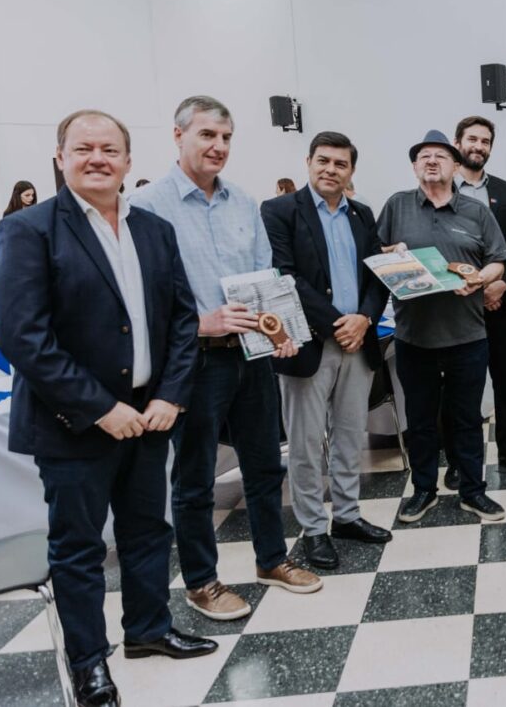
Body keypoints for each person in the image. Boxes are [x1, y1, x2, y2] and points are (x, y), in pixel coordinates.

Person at [0, 110, 215, 707]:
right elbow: (20, 334)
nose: (98, 158)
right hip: (73, 424)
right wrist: (98, 408)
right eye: (84, 148)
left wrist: (170, 394)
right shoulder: (31, 229)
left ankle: (148, 629)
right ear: (61, 156)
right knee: (79, 548)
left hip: (150, 415)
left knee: (146, 531)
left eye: (110, 149)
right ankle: (90, 663)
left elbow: (183, 320)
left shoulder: (154, 229)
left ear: (128, 161)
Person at [130, 95, 322, 620]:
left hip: (253, 356)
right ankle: (202, 581)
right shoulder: (147, 208)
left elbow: (267, 276)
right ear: (178, 136)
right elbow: (141, 299)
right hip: (193, 361)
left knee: (264, 464)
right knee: (194, 479)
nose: (218, 147)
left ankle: (271, 559)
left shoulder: (243, 202)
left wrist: (281, 330)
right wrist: (199, 322)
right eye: (207, 135)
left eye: (226, 138)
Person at [261, 131, 391, 571]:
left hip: (359, 342)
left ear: (351, 171)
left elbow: (376, 274)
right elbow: (287, 275)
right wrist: (340, 322)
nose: (330, 169)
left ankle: (347, 516)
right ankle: (314, 529)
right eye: (323, 161)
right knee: (304, 442)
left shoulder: (361, 214)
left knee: (351, 434)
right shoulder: (280, 211)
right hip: (310, 345)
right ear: (308, 162)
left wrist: (365, 318)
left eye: (340, 164)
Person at [378, 130, 506, 523]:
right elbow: (375, 256)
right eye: (423, 157)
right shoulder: (397, 207)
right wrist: (389, 255)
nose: (431, 161)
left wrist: (482, 279)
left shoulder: (476, 211)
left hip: (467, 336)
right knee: (419, 419)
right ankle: (423, 490)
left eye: (439, 156)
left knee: (467, 417)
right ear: (415, 166)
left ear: (455, 165)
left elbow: (498, 260)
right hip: (413, 337)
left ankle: (473, 491)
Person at [443, 115, 506, 483]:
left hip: (503, 303)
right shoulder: (443, 190)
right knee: (460, 386)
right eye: (472, 140)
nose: (478, 146)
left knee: (505, 381)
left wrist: (501, 285)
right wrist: (474, 291)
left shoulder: (505, 190)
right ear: (457, 143)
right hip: (457, 307)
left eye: (485, 142)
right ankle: (458, 461)